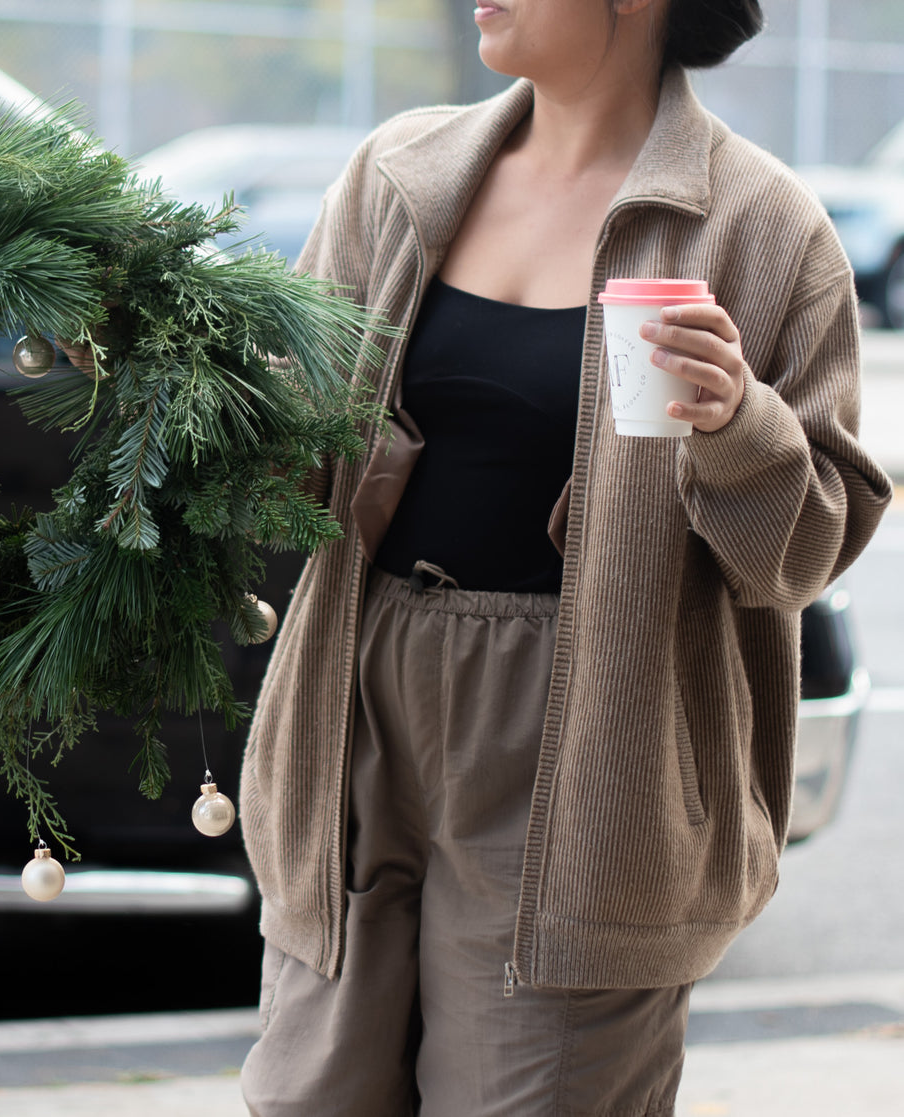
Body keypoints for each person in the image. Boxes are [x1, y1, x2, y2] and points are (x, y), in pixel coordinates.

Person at [236, 1, 893, 1114]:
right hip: (358, 699)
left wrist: (737, 422)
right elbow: (291, 472)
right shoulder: (395, 177)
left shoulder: (763, 230)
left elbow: (806, 549)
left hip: (594, 746)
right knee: (312, 1092)